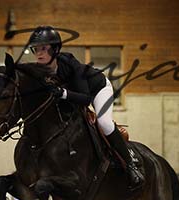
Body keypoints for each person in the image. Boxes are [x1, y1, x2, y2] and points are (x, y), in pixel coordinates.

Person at [27, 26, 145, 189]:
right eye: (36, 49)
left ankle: (130, 164)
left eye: (43, 48)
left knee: (104, 123)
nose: (39, 53)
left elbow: (85, 99)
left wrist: (63, 93)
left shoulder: (70, 64)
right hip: (73, 98)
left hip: (98, 89)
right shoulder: (39, 71)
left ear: (55, 49)